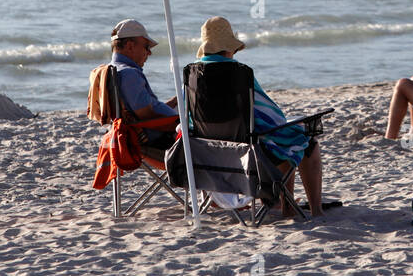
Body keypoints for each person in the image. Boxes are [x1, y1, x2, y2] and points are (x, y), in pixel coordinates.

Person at [195, 16, 323, 217]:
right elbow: (270, 114)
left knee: (280, 138)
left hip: (210, 153)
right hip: (249, 154)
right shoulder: (239, 73)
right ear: (229, 48)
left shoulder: (192, 75)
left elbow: (191, 120)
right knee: (300, 138)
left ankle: (281, 203)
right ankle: (312, 210)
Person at [109, 18, 179, 153]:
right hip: (161, 139)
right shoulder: (129, 74)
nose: (149, 52)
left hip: (146, 133)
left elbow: (142, 110)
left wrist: (173, 103)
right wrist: (180, 124)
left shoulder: (114, 69)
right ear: (130, 46)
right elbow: (147, 118)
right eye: (146, 47)